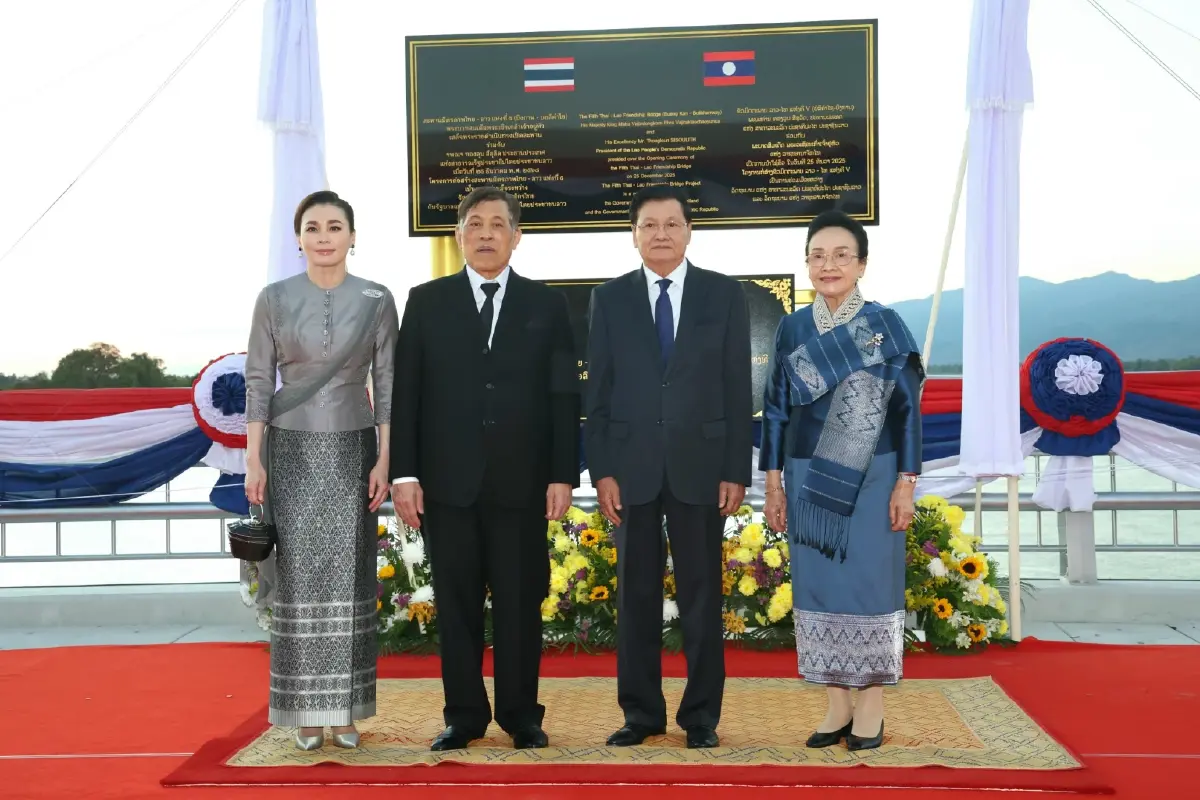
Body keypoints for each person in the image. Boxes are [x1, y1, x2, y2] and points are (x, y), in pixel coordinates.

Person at [389, 186, 579, 751]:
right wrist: (405, 474)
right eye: (476, 224)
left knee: (522, 601)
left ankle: (522, 714)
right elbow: (409, 395)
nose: (487, 233)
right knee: (457, 604)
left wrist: (563, 473)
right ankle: (464, 715)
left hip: (523, 484)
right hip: (448, 484)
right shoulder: (426, 302)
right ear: (459, 236)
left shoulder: (547, 306)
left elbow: (564, 396)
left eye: (499, 224)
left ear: (517, 236)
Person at [585, 184, 752, 750]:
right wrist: (602, 469)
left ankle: (701, 715)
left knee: (702, 591)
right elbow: (599, 391)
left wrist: (736, 467)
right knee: (634, 593)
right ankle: (641, 713)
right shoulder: (608, 299)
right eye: (648, 225)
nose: (660, 234)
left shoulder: (723, 295)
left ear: (688, 232)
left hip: (702, 466)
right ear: (633, 234)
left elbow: (736, 385)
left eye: (671, 224)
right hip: (630, 469)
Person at [759, 209, 923, 752]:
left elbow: (907, 411)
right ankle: (835, 706)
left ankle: (871, 706)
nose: (828, 265)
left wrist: (907, 481)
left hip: (874, 474)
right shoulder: (793, 327)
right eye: (817, 255)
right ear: (807, 263)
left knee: (871, 584)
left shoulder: (885, 325)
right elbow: (776, 409)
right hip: (808, 480)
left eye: (840, 255)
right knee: (819, 584)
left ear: (862, 264)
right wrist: (774, 482)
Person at [244, 190, 399, 751]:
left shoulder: (379, 299)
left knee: (351, 577)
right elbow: (259, 381)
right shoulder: (273, 299)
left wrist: (385, 456)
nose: (325, 236)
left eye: (336, 226)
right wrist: (253, 457)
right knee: (301, 579)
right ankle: (306, 714)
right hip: (289, 452)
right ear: (299, 238)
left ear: (353, 236)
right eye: (314, 227)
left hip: (356, 450)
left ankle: (347, 711)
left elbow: (387, 382)